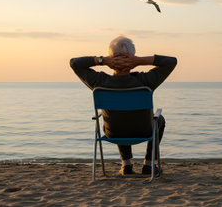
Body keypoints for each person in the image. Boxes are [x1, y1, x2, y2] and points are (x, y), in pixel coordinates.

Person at [70, 36, 177, 175]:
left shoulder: (99, 82)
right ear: (132, 58)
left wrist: (102, 60)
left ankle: (126, 166)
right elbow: (171, 61)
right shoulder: (145, 81)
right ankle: (149, 165)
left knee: (116, 118)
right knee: (159, 119)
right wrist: (139, 61)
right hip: (144, 132)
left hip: (113, 133)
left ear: (110, 58)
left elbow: (74, 63)